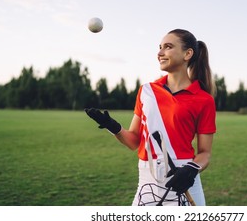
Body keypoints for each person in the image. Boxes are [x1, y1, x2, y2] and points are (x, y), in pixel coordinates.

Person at [85, 29, 216, 206]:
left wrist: (192, 169)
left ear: (188, 54)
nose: (160, 53)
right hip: (147, 186)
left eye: (168, 47)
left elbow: (205, 153)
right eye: (160, 47)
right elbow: (134, 141)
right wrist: (113, 127)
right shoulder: (146, 91)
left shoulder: (204, 99)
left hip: (185, 181)